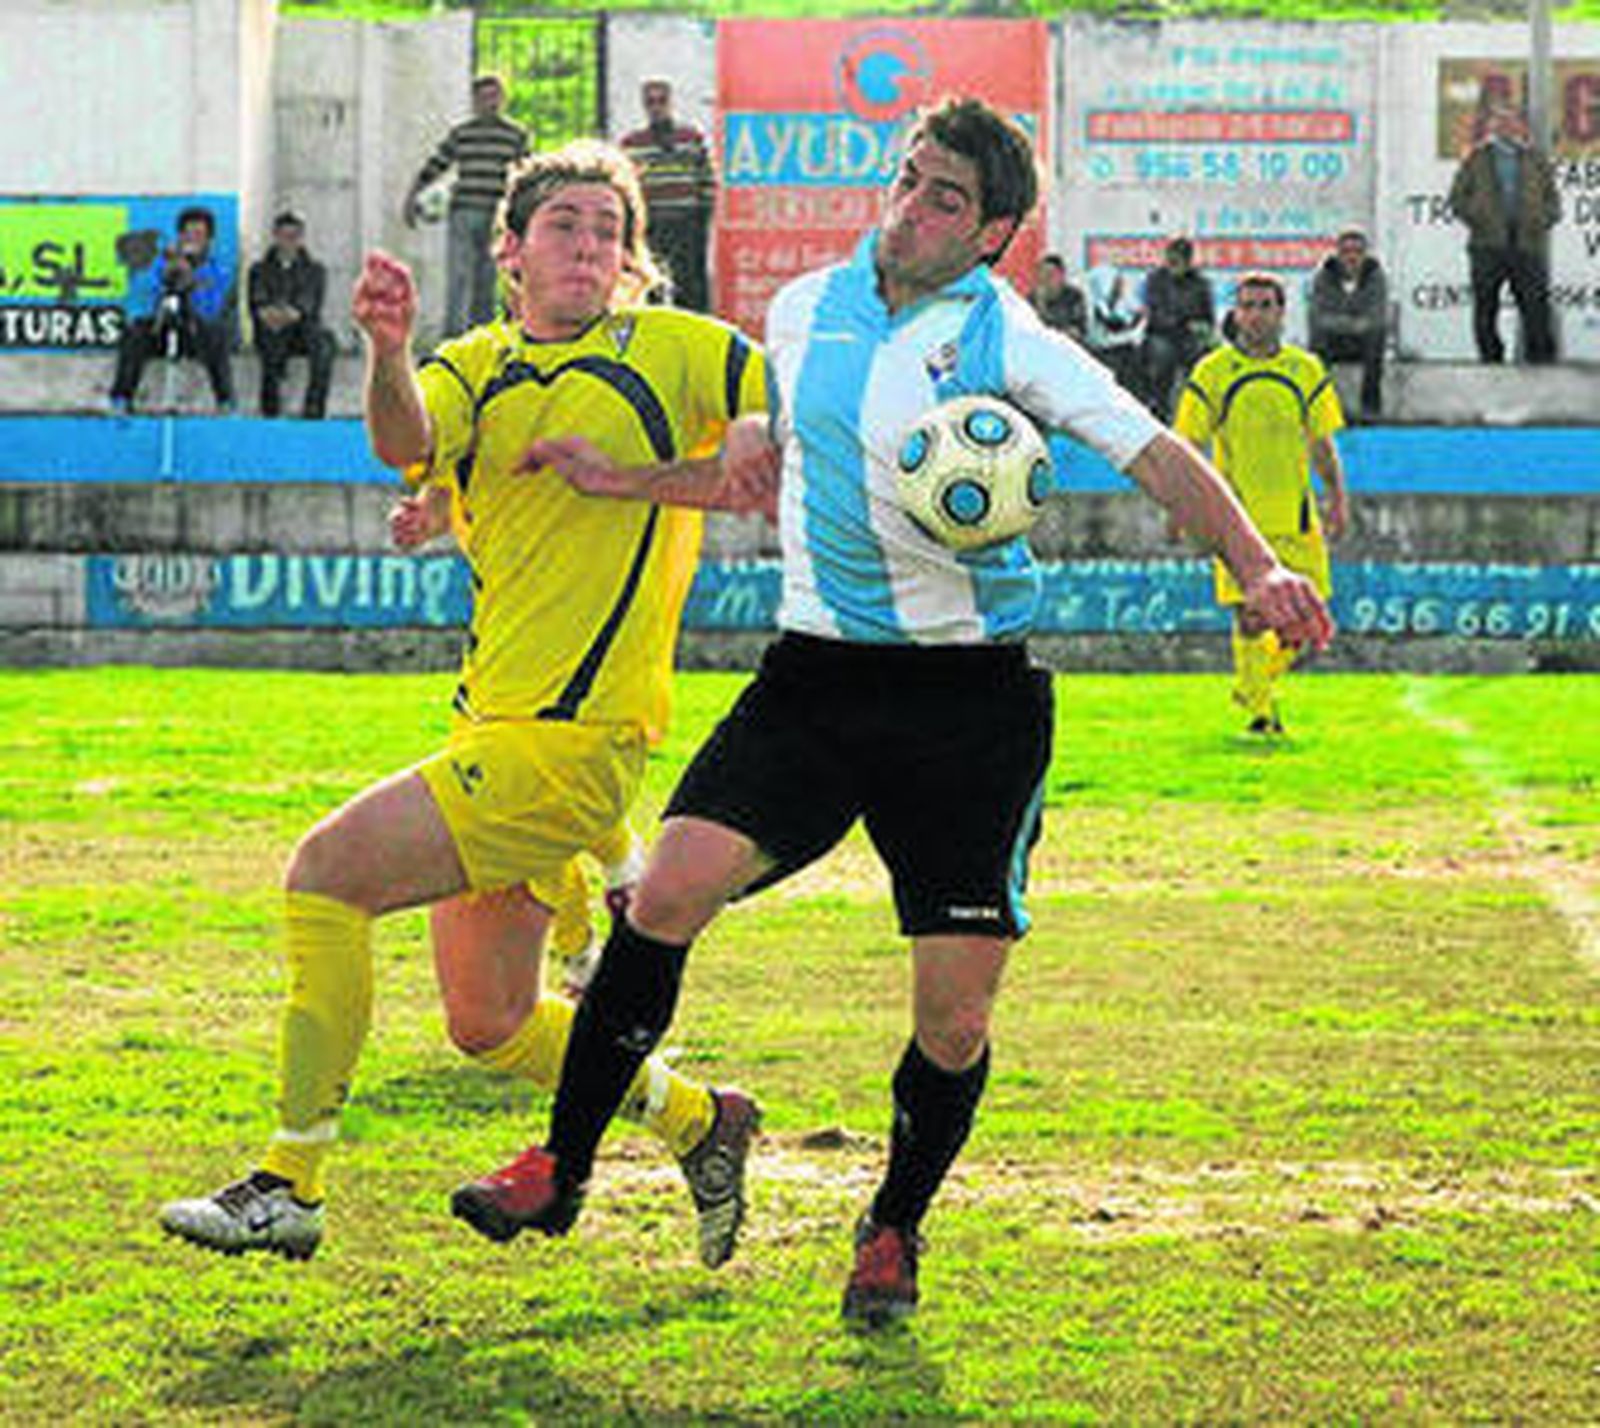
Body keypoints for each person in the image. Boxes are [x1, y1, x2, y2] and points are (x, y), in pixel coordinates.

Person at [451, 98, 1334, 1327]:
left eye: (944, 199)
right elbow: (758, 469)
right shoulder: (803, 308)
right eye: (908, 180)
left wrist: (1259, 565)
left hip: (968, 705)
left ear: (994, 234)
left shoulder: (1008, 339)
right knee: (662, 896)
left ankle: (892, 1226)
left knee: (954, 1017)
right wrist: (624, 479)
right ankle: (562, 1168)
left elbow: (1152, 454)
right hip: (813, 682)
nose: (910, 211)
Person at [158, 138, 773, 1272]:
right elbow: (405, 440)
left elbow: (768, 416)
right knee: (489, 1023)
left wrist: (736, 440)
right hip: (494, 727)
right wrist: (388, 349)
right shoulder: (475, 364)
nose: (588, 245)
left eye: (608, 230)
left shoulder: (677, 348)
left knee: (325, 873)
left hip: (576, 745)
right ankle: (704, 1120)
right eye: (565, 225)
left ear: (631, 257)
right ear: (511, 250)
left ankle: (288, 1183)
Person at [1174, 272, 1349, 736]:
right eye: (1247, 305)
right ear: (1235, 313)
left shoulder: (1305, 369)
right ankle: (1261, 711)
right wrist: (1180, 507)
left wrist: (1337, 498)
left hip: (1297, 518)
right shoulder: (1212, 371)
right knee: (1250, 617)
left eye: (1265, 305)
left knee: (1308, 624)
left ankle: (1253, 684)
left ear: (1281, 312)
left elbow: (1322, 444)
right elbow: (1188, 445)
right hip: (1238, 521)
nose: (1255, 314)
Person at [404, 74, 528, 334]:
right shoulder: (462, 134)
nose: (489, 103)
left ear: (503, 99)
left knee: (488, 278)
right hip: (464, 211)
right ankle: (453, 335)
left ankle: (482, 335)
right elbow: (436, 164)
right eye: (483, 97)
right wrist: (412, 196)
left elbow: (525, 174)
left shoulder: (515, 135)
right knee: (458, 276)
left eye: (494, 96)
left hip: (497, 215)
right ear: (474, 101)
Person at [1447, 99, 1561, 365]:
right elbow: (1457, 198)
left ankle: (1541, 361)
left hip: (1528, 244)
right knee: (1486, 307)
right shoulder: (1477, 158)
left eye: (1511, 121)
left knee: (1535, 307)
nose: (1505, 126)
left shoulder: (1535, 159)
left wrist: (1540, 221)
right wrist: (1479, 218)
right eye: (1499, 121)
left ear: (1519, 126)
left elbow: (1553, 201)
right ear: (1491, 126)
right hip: (1487, 245)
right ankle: (1491, 360)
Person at [108, 206, 235, 414]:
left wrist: (191, 280)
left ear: (209, 240)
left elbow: (212, 307)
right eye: (187, 234)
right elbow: (144, 298)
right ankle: (121, 398)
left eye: (199, 235)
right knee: (135, 333)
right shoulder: (161, 262)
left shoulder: (218, 269)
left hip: (194, 332)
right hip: (162, 326)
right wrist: (166, 275)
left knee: (216, 334)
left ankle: (225, 401)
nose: (192, 239)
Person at [620, 78, 716, 313]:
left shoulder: (691, 139)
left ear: (670, 103)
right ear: (644, 106)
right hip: (652, 222)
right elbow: (626, 185)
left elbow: (708, 180)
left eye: (661, 101)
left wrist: (702, 216)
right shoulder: (632, 145)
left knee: (691, 281)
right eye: (651, 102)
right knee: (652, 278)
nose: (656, 108)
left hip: (687, 221)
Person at [247, 210, 337, 420]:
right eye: (284, 236)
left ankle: (314, 408)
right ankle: (270, 408)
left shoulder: (315, 270)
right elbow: (257, 301)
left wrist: (291, 313)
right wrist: (272, 314)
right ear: (275, 236)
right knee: (270, 340)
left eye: (293, 236)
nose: (288, 242)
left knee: (325, 343)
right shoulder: (259, 269)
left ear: (301, 238)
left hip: (302, 330)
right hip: (270, 329)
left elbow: (309, 304)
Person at [1308, 227, 1388, 422]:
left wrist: (1342, 322)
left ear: (1365, 254)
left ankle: (1370, 410)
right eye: (1346, 252)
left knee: (1377, 337)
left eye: (1357, 252)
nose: (1352, 257)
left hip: (1364, 343)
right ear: (1338, 254)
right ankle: (1320, 407)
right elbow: (1319, 318)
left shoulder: (1376, 277)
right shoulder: (1324, 277)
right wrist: (1355, 324)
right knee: (1318, 342)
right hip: (1333, 342)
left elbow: (1377, 317)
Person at [1140, 236, 1215, 423]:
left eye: (1178, 261)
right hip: (1162, 334)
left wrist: (1200, 327)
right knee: (1162, 354)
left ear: (1188, 261)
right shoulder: (1156, 280)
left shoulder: (1200, 283)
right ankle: (1159, 405)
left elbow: (1208, 317)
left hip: (1189, 337)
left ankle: (1197, 407)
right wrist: (1183, 321)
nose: (1173, 265)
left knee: (1202, 357)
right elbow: (1156, 314)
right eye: (1171, 259)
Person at [1084, 260, 1145, 397]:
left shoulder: (1129, 303)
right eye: (1115, 283)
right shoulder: (1096, 306)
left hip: (1125, 349)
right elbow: (1099, 337)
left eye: (1120, 283)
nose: (1119, 287)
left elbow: (1135, 328)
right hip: (1102, 350)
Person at [1028, 254, 1086, 341]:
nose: (1046, 277)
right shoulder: (1032, 298)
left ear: (1061, 275)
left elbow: (1079, 329)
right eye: (1043, 272)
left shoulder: (1074, 296)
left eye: (1051, 273)